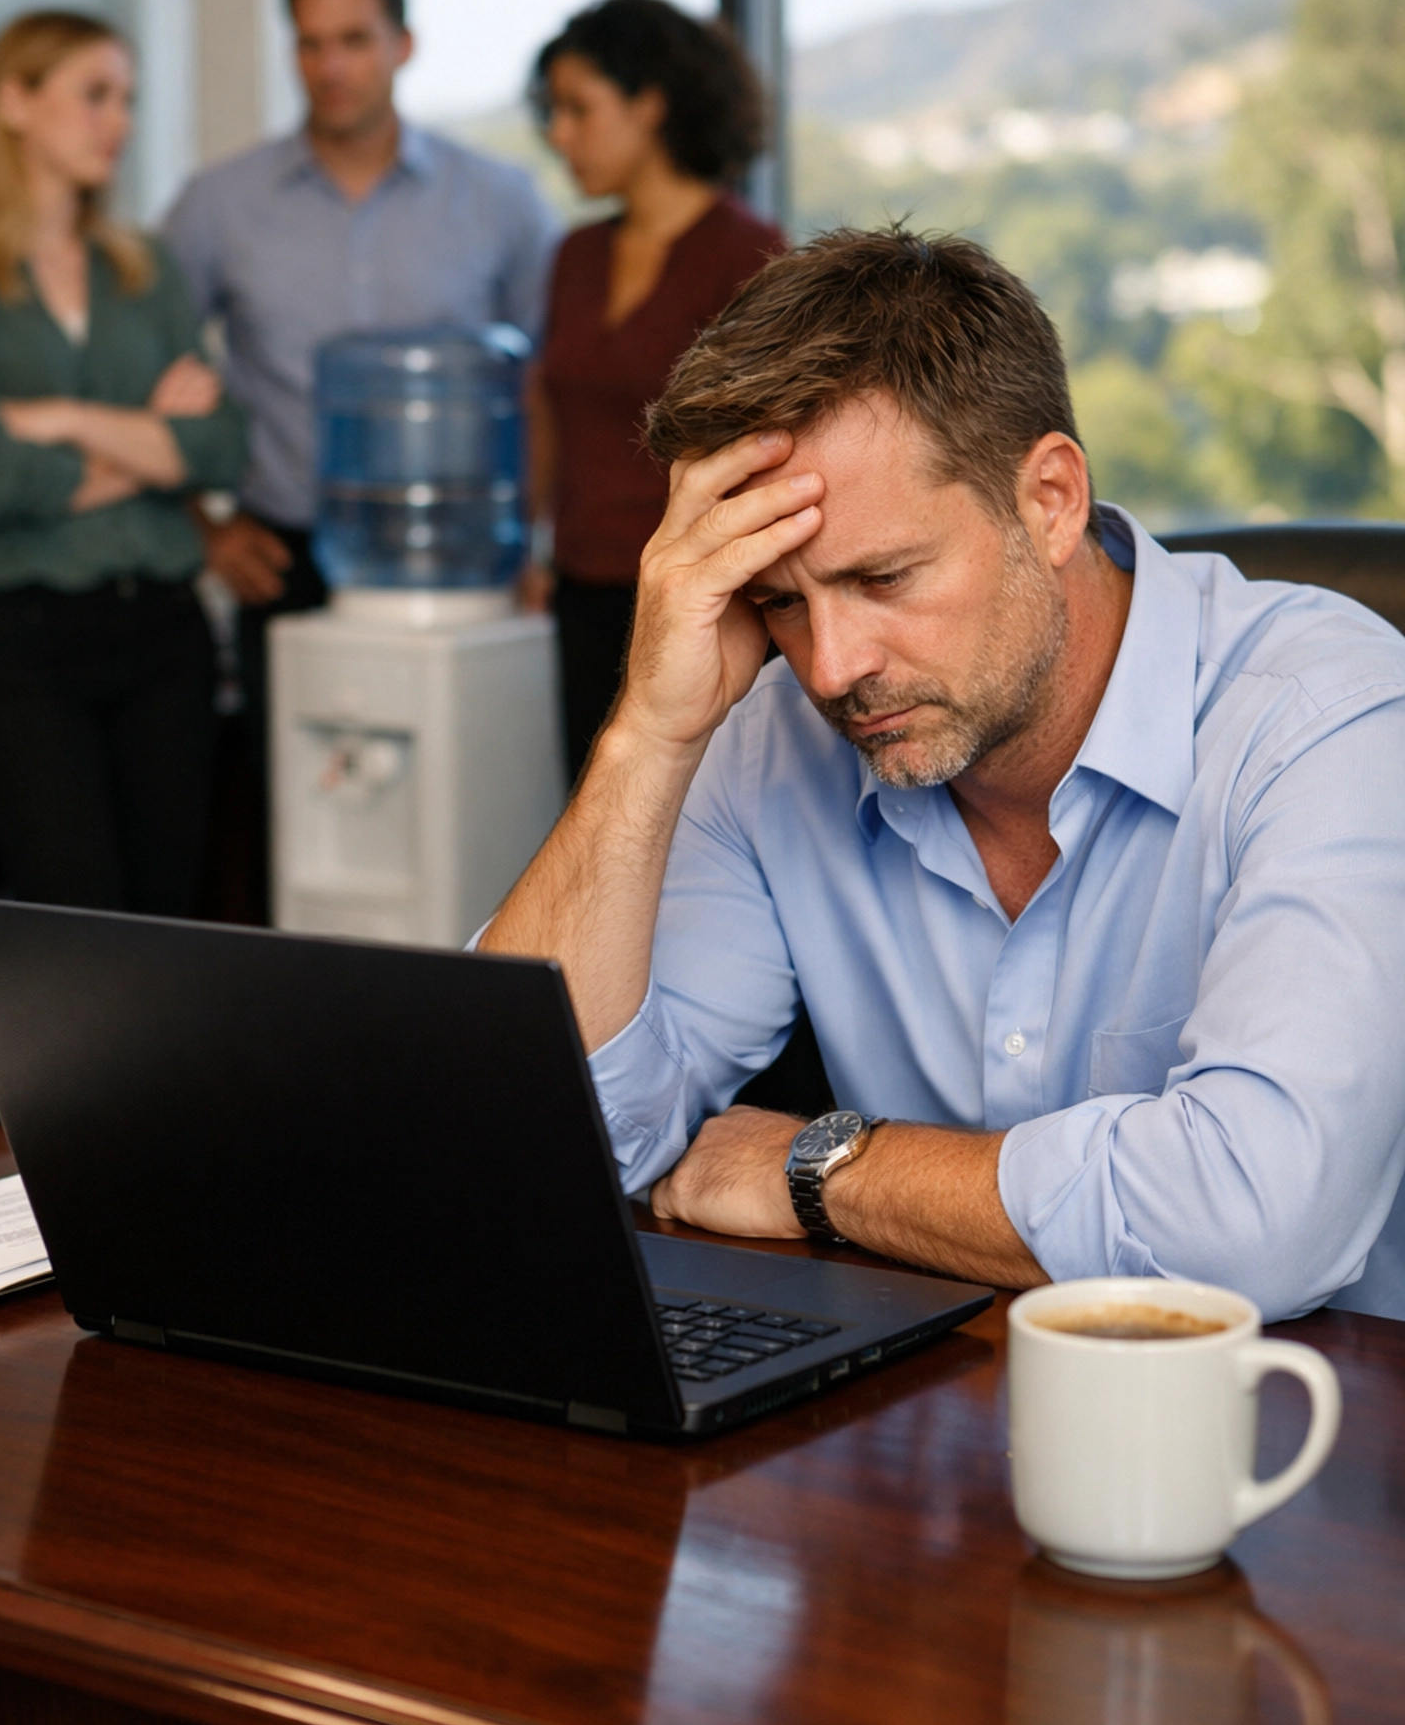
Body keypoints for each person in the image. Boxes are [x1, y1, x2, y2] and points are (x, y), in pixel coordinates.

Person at [481, 227, 1405, 1324]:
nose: (833, 667)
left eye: (884, 577)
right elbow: (532, 1140)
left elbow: (1257, 1224)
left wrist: (824, 1169)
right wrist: (649, 732)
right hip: (937, 1420)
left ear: (1051, 499)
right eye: (779, 599)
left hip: (1314, 1440)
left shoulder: (1331, 716)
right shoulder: (775, 727)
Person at [163, 0, 559, 890]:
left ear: (403, 44)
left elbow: (543, 386)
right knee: (310, 850)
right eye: (308, 45)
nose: (330, 67)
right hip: (289, 562)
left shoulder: (499, 200)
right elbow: (144, 372)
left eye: (353, 40)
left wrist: (534, 545)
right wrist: (203, 532)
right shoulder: (219, 206)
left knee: (475, 836)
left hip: (465, 568)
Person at [0, 10, 245, 916]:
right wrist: (147, 446)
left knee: (171, 926)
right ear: (15, 101)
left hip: (163, 633)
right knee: (73, 926)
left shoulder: (145, 266)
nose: (117, 121)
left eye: (125, 99)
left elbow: (219, 446)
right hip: (15, 646)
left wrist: (60, 418)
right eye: (94, 96)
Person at [527, 0, 786, 779]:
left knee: (700, 837)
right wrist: (534, 548)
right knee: (594, 824)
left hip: (697, 603)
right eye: (552, 111)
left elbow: (766, 447)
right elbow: (549, 409)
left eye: (578, 108)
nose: (559, 134)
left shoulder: (745, 253)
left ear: (650, 106)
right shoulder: (574, 255)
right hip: (579, 593)